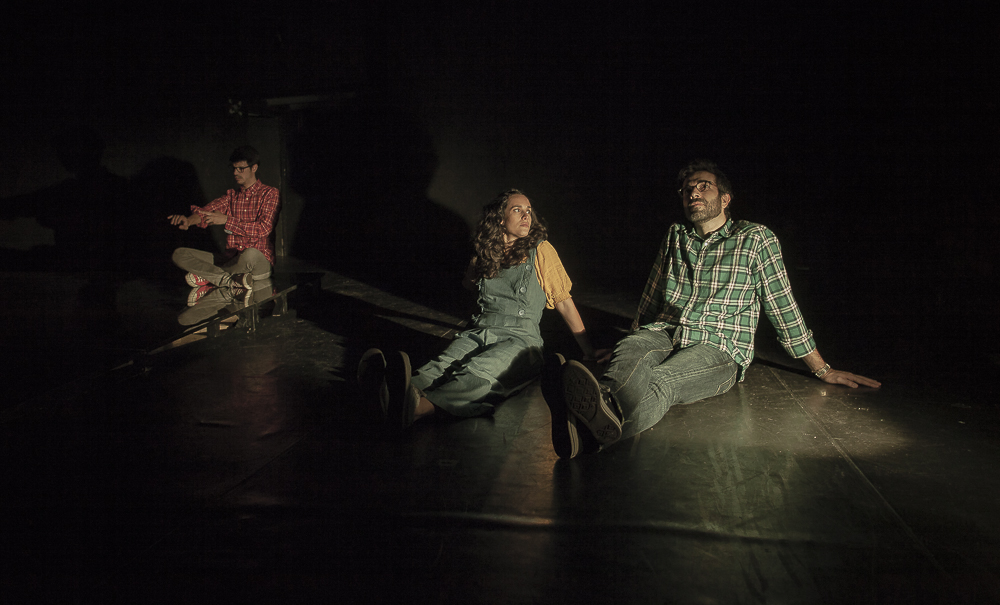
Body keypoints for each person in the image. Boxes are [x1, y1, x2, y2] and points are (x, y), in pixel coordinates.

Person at [544, 160, 881, 458]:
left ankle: (587, 433)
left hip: (719, 346)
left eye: (703, 186)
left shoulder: (755, 239)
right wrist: (628, 341)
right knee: (632, 351)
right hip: (666, 331)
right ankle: (596, 407)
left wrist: (822, 369)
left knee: (664, 381)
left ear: (725, 198)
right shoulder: (676, 236)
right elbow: (651, 296)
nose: (693, 192)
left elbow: (783, 306)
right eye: (687, 189)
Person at [358, 189, 608, 434]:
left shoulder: (541, 250)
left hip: (521, 341)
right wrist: (480, 261)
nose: (526, 216)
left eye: (529, 210)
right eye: (517, 210)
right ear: (500, 219)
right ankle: (389, 394)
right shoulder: (487, 254)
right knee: (442, 366)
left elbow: (564, 301)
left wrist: (588, 350)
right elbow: (469, 283)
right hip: (480, 331)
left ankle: (413, 409)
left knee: (478, 373)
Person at [167, 146, 280, 306]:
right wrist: (189, 221)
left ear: (254, 168)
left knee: (249, 254)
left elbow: (263, 229)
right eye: (234, 168)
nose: (235, 173)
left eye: (241, 169)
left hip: (257, 261)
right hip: (230, 259)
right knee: (180, 254)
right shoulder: (231, 196)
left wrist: (227, 221)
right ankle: (228, 280)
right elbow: (206, 212)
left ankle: (210, 277)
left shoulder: (270, 193)